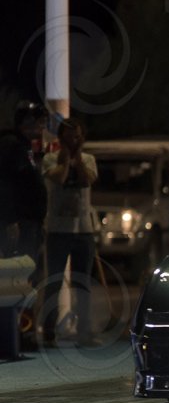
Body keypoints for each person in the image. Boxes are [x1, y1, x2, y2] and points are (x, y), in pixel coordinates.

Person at [40, 117, 99, 347]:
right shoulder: (50, 159)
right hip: (57, 230)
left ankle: (84, 330)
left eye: (77, 137)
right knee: (54, 281)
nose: (73, 141)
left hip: (83, 229)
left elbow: (86, 181)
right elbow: (59, 178)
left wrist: (78, 158)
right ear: (61, 138)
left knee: (82, 282)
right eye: (68, 137)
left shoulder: (89, 159)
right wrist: (65, 159)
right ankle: (49, 332)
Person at [0, 101, 49, 272]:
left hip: (27, 221)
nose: (43, 127)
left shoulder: (23, 146)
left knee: (25, 271)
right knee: (18, 273)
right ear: (27, 122)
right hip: (19, 222)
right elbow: (8, 186)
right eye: (40, 122)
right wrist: (10, 220)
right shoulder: (12, 145)